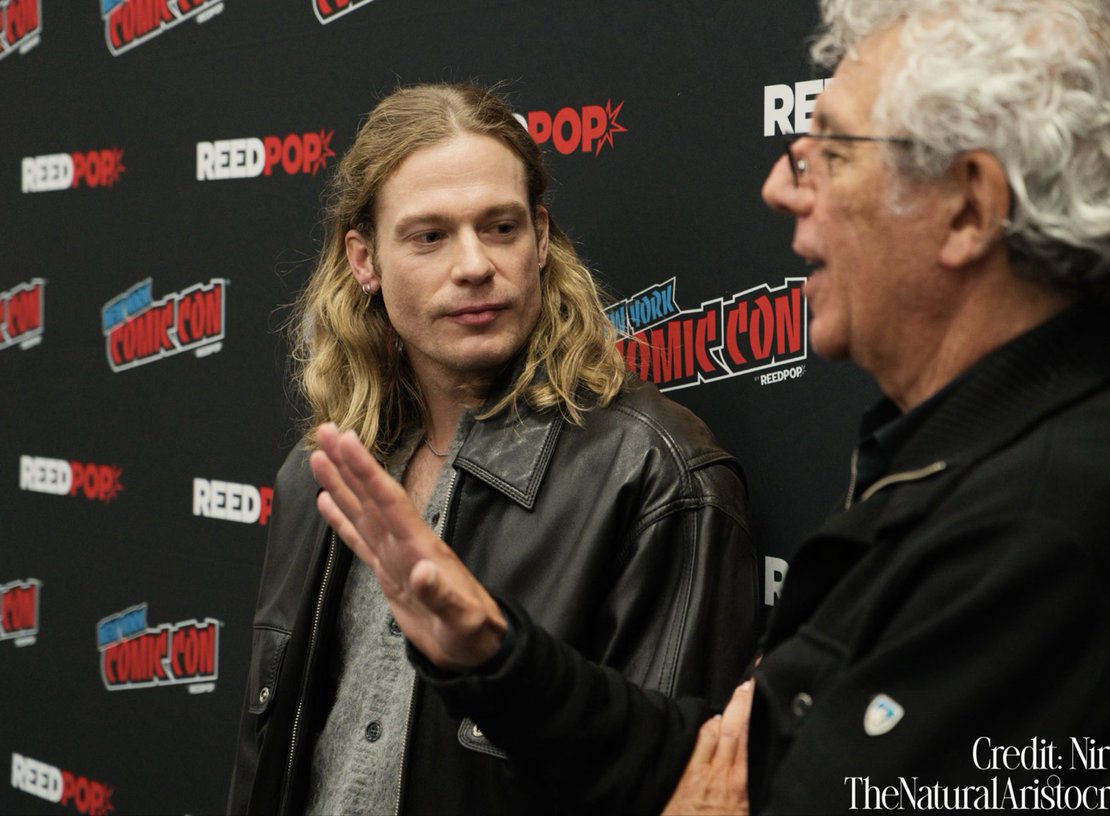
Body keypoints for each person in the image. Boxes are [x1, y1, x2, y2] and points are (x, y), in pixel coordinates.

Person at [306, 0, 1110, 812]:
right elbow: (713, 766)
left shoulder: (1052, 527)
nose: (782, 187)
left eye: (831, 155)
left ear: (969, 209)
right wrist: (492, 655)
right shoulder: (951, 469)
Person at [226, 83, 758, 816]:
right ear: (364, 260)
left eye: (500, 227)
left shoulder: (657, 476)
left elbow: (680, 786)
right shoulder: (323, 477)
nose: (474, 265)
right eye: (429, 236)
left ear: (541, 238)